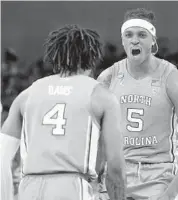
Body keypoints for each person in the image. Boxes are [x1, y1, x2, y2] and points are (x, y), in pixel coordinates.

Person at [0, 24, 126, 200]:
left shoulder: (27, 94)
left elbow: (2, 156)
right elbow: (115, 167)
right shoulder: (102, 96)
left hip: (29, 189)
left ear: (54, 57)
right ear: (93, 58)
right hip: (73, 188)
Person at [97, 8, 178, 200]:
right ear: (122, 40)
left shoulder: (174, 80)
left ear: (153, 41)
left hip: (157, 178)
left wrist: (171, 192)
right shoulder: (107, 78)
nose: (134, 40)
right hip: (115, 175)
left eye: (142, 35)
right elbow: (95, 137)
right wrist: (93, 176)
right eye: (128, 35)